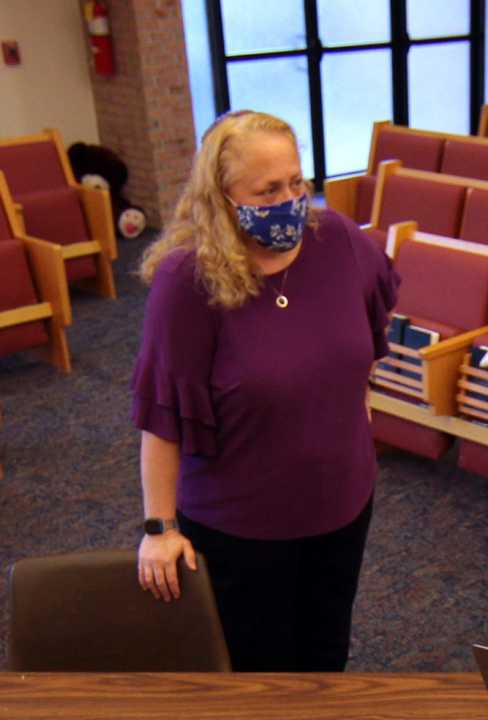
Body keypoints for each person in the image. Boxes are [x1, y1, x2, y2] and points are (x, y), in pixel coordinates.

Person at [130, 110, 399, 671]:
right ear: (223, 198)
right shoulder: (188, 280)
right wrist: (160, 527)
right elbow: (162, 414)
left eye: (296, 182)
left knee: (327, 652)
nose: (290, 200)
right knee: (261, 669)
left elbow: (362, 344)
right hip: (241, 526)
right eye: (268, 189)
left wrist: (352, 415)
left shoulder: (340, 243)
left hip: (342, 504)